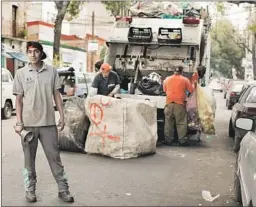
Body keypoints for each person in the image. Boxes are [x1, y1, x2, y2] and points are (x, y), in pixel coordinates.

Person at [13, 41, 74, 203]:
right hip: (28, 125)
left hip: (48, 124)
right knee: (29, 160)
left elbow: (57, 96)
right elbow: (18, 100)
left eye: (36, 51)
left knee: (55, 158)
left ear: (41, 53)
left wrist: (62, 116)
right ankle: (30, 190)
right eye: (30, 51)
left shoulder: (52, 71)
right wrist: (19, 122)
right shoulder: (21, 73)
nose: (32, 55)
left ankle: (63, 190)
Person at [163, 66, 197, 146]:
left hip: (169, 104)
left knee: (168, 123)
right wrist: (194, 84)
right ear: (182, 72)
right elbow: (191, 90)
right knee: (181, 123)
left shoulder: (167, 79)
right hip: (179, 104)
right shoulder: (185, 80)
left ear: (174, 71)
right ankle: (182, 141)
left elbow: (164, 90)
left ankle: (168, 140)